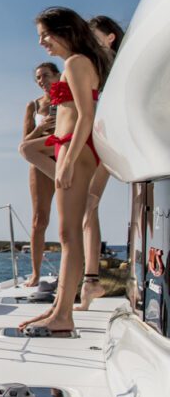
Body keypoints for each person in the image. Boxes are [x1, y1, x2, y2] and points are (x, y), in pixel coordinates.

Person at [18, 7, 111, 335]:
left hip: (76, 148)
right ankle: (59, 309)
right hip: (68, 144)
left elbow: (86, 114)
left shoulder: (76, 63)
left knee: (69, 236)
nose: (42, 41)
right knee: (67, 234)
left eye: (45, 34)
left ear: (64, 31)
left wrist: (68, 161)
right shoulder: (82, 61)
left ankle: (62, 315)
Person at [74, 16, 126, 310]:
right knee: (88, 207)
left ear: (110, 38)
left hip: (111, 141)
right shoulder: (102, 71)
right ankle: (90, 282)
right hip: (101, 141)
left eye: (94, 36)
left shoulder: (119, 70)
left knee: (88, 204)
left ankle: (91, 281)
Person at [21, 62, 59, 286]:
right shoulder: (33, 106)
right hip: (39, 161)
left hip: (63, 156)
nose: (42, 80)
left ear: (57, 76)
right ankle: (35, 274)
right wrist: (41, 128)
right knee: (39, 219)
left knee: (75, 217)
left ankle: (79, 271)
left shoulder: (68, 98)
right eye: (38, 78)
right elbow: (25, 142)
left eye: (46, 75)